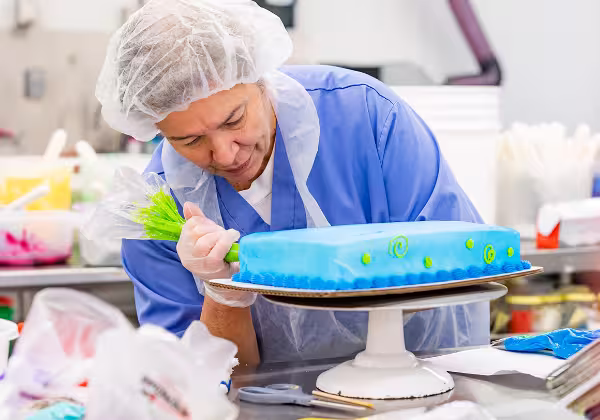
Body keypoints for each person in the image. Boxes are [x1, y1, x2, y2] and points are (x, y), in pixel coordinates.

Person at [96, 0, 488, 366]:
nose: (226, 154)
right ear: (155, 129)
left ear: (261, 79)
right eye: (190, 141)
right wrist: (222, 295)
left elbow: (458, 261)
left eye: (234, 121)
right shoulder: (156, 212)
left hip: (425, 388)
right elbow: (202, 381)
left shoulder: (365, 116)